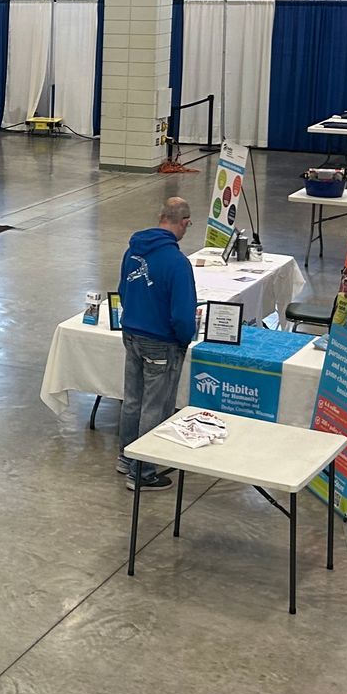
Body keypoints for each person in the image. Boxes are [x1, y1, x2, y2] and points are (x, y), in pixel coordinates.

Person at [117, 196, 198, 489]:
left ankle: (126, 457)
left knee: (133, 400)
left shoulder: (132, 251)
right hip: (161, 342)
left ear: (160, 216)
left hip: (131, 334)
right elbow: (183, 315)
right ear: (184, 223)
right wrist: (182, 341)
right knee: (156, 406)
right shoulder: (178, 263)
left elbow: (123, 292)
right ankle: (143, 472)